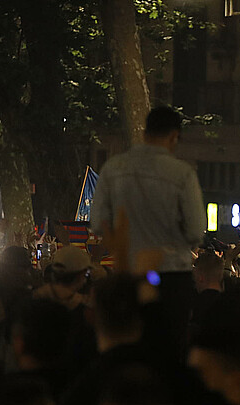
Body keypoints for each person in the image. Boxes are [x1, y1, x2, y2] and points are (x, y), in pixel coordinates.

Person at [90, 106, 206, 361]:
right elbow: (196, 230)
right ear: (174, 136)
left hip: (125, 276)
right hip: (172, 277)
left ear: (145, 132)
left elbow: (98, 223)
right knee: (168, 355)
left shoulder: (113, 168)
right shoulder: (182, 174)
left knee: (125, 353)